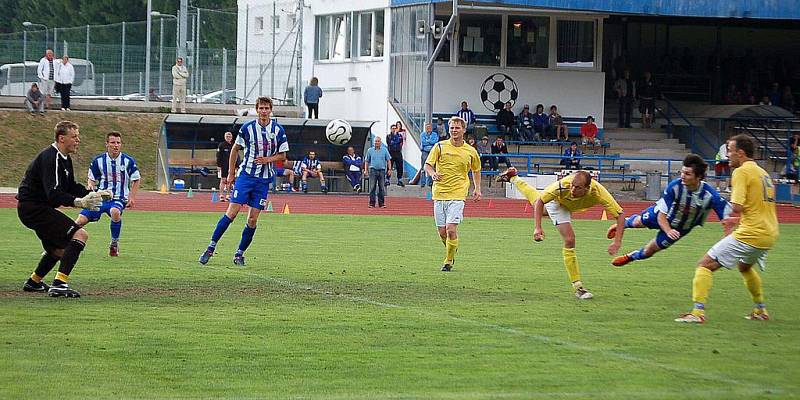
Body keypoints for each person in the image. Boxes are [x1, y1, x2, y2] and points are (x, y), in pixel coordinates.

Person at [675, 135, 778, 323]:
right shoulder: (763, 172)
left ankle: (697, 313)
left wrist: (730, 220)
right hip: (769, 233)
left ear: (740, 152)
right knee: (744, 266)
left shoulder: (741, 172)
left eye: (729, 150)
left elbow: (736, 206)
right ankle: (760, 310)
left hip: (751, 232)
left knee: (704, 265)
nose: (727, 155)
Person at [496, 168, 625, 299]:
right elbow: (541, 201)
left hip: (570, 205)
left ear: (587, 188)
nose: (573, 190)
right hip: (557, 203)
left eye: (578, 187)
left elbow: (620, 215)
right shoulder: (562, 186)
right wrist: (538, 227)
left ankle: (514, 178)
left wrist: (617, 241)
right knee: (569, 239)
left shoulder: (599, 193)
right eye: (572, 186)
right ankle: (578, 287)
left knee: (537, 203)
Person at [17, 120, 112, 298]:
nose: (78, 140)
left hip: (34, 208)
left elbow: (69, 186)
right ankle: (59, 285)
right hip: (34, 208)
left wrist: (95, 193)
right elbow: (53, 193)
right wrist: (80, 202)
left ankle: (34, 281)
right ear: (62, 138)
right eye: (74, 137)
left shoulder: (64, 158)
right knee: (80, 235)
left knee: (59, 250)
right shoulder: (51, 157)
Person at [198, 97, 288, 266]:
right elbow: (235, 149)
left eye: (267, 108)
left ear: (271, 110)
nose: (264, 111)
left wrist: (267, 159)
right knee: (231, 213)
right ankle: (210, 247)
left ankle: (239, 254)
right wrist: (231, 173)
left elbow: (283, 155)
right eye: (261, 108)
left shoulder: (278, 130)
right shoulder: (247, 128)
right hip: (246, 176)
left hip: (263, 181)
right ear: (257, 109)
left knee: (252, 220)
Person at [609, 155, 734, 267]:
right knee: (638, 222)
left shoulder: (710, 195)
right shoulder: (675, 186)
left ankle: (631, 256)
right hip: (661, 217)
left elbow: (727, 221)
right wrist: (668, 230)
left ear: (699, 177)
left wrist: (726, 242)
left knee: (649, 252)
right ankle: (623, 224)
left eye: (688, 174)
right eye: (682, 172)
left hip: (680, 229)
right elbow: (661, 216)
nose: (683, 176)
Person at [423, 116, 482, 272]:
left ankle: (448, 261)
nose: (454, 130)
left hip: (458, 194)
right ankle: (451, 250)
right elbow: (428, 165)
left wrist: (477, 188)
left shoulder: (471, 151)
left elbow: (476, 170)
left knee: (450, 229)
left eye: (457, 128)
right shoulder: (440, 146)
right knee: (442, 232)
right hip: (439, 193)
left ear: (463, 130)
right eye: (452, 128)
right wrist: (433, 173)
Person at [74, 131, 141, 257]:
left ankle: (114, 243)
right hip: (100, 197)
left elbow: (136, 179)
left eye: (118, 143)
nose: (116, 145)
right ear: (107, 144)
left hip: (118, 198)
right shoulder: (98, 161)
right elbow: (91, 178)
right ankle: (60, 243)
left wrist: (131, 197)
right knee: (79, 221)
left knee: (115, 212)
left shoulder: (128, 161)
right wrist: (90, 186)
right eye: (113, 143)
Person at [364, 136, 392, 208]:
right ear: (374, 142)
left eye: (378, 141)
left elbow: (388, 160)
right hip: (373, 170)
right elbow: (367, 161)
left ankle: (381, 203)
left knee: (382, 188)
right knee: (372, 187)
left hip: (382, 171)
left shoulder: (384, 150)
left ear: (380, 142)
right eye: (376, 141)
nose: (377, 142)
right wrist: (366, 170)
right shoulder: (370, 150)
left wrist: (389, 169)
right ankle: (372, 203)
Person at [216, 131, 240, 201]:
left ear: (232, 137)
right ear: (224, 137)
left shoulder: (234, 145)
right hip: (223, 166)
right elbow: (218, 156)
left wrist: (237, 166)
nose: (228, 137)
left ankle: (228, 195)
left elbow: (236, 156)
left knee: (230, 180)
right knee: (223, 180)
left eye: (229, 136)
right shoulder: (221, 145)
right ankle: (221, 195)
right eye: (227, 136)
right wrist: (218, 165)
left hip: (232, 166)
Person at [419, 123, 439, 187]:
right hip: (424, 151)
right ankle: (422, 182)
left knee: (432, 167)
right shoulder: (422, 134)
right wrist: (430, 141)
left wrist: (428, 141)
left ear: (431, 128)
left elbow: (435, 141)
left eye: (429, 128)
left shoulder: (435, 134)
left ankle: (430, 182)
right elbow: (423, 142)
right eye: (427, 128)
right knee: (423, 167)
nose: (428, 129)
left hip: (432, 152)